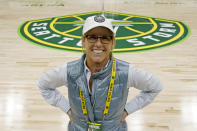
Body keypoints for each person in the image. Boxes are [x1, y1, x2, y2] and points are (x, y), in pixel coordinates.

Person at [38, 15, 163, 131]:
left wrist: (127, 111)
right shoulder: (68, 71)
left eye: (105, 38)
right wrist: (67, 109)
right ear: (83, 41)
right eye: (92, 37)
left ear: (113, 43)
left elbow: (155, 87)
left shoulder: (127, 72)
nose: (98, 44)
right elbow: (44, 84)